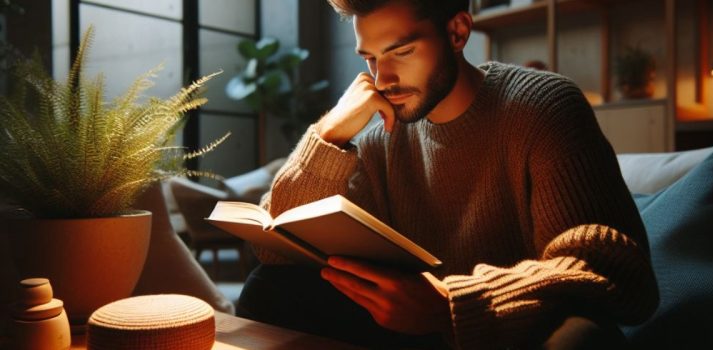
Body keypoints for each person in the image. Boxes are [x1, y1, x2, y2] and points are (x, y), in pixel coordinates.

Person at [236, 0, 659, 348]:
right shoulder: (383, 132)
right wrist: (329, 134)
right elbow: (277, 252)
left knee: (580, 336)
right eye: (370, 58)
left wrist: (453, 304)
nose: (382, 79)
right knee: (270, 287)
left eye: (401, 52)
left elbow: (612, 273)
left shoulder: (542, 107)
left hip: (510, 330)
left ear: (457, 33)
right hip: (417, 332)